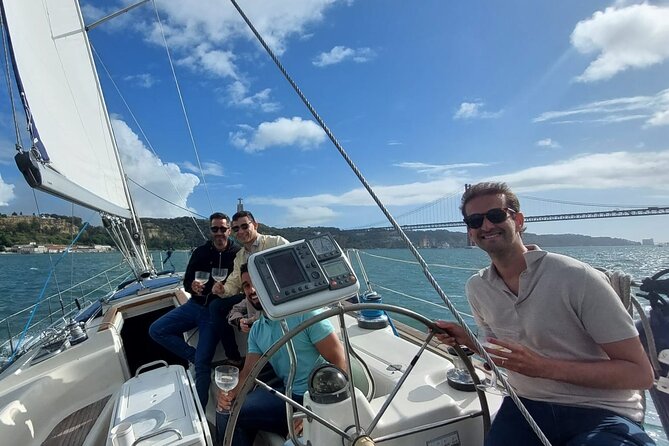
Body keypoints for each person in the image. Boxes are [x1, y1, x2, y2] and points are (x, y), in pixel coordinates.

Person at [436, 182, 655, 446]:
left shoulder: (576, 277)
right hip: (526, 405)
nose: (485, 226)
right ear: (470, 232)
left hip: (602, 410)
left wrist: (544, 368)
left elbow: (640, 374)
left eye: (496, 216)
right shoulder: (478, 288)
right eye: (475, 220)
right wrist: (468, 340)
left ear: (518, 220)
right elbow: (506, 357)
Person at [216, 263, 346, 445]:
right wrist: (229, 396)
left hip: (317, 398)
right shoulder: (257, 330)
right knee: (227, 411)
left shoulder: (306, 315)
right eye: (246, 285)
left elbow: (340, 362)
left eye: (256, 283)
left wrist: (315, 411)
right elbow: (247, 375)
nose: (251, 290)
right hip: (288, 397)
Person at [149, 212, 242, 407]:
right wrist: (192, 286)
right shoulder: (200, 252)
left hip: (213, 313)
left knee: (202, 366)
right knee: (156, 330)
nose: (219, 233)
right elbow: (187, 280)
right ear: (210, 230)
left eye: (223, 229)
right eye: (214, 229)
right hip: (194, 305)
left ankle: (199, 410)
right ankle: (193, 355)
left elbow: (241, 285)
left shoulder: (237, 254)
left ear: (229, 231)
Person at [212, 210, 289, 298]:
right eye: (236, 229)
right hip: (252, 296)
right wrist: (223, 290)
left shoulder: (276, 243)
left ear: (255, 225)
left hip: (279, 293)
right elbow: (234, 282)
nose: (240, 231)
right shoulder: (240, 256)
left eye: (244, 226)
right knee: (216, 305)